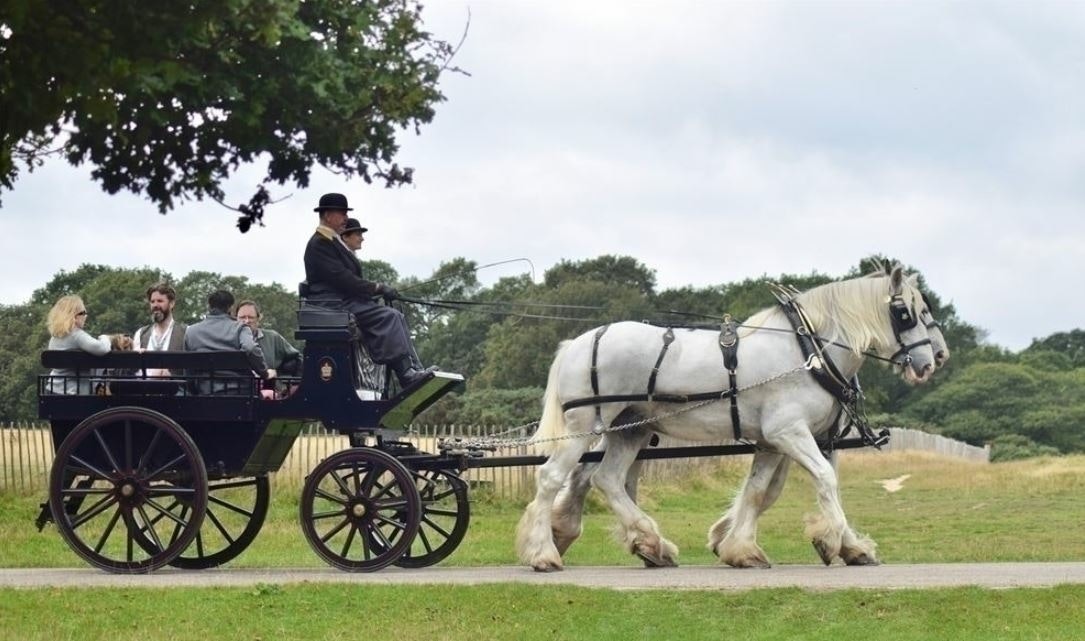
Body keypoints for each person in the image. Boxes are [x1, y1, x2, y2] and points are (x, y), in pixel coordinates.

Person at [303, 193, 437, 387]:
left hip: (344, 301)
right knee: (388, 316)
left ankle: (413, 367)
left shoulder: (332, 241)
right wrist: (378, 288)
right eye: (342, 213)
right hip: (332, 305)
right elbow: (344, 279)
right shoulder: (319, 244)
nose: (345, 218)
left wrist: (374, 292)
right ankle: (406, 375)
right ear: (327, 215)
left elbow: (348, 279)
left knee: (396, 315)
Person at [184, 290, 273, 395]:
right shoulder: (240, 328)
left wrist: (193, 389)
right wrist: (264, 373)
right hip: (240, 392)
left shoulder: (191, 331)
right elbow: (250, 348)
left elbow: (188, 369)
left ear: (209, 306)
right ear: (230, 308)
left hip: (206, 392)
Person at [44, 295, 113, 394]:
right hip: (72, 392)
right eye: (83, 313)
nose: (86, 316)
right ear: (74, 316)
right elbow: (103, 349)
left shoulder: (55, 337)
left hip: (52, 390)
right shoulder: (76, 335)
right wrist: (105, 338)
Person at [234, 299, 302, 376]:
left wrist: (292, 382)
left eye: (251, 317)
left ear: (258, 318)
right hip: (238, 386)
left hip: (268, 386)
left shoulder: (272, 337)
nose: (246, 321)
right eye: (242, 317)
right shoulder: (228, 339)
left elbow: (298, 358)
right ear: (235, 318)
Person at [132, 282, 187, 377]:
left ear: (172, 303)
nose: (155, 305)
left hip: (175, 390)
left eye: (160, 301)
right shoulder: (140, 333)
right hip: (144, 389)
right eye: (152, 301)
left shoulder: (186, 332)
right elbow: (133, 371)